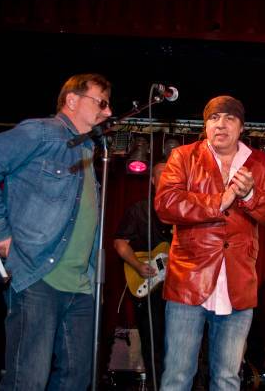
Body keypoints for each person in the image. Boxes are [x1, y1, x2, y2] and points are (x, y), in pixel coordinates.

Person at [0, 73, 112, 390]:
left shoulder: (88, 150)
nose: (108, 112)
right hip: (38, 275)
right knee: (27, 378)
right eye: (101, 102)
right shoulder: (43, 132)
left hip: (81, 283)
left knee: (77, 378)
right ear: (72, 100)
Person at [154, 95, 265, 390]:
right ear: (205, 126)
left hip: (237, 284)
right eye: (214, 118)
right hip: (188, 281)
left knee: (228, 379)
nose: (221, 124)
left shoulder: (259, 162)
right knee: (177, 376)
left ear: (241, 127)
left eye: (229, 118)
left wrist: (251, 197)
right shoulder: (184, 156)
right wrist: (220, 201)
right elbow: (166, 204)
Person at [113, 161, 172, 388]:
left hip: (179, 290)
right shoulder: (139, 210)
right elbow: (120, 243)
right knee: (153, 344)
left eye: (172, 173)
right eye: (161, 174)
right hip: (150, 289)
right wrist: (138, 266)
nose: (167, 177)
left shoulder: (185, 212)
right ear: (153, 181)